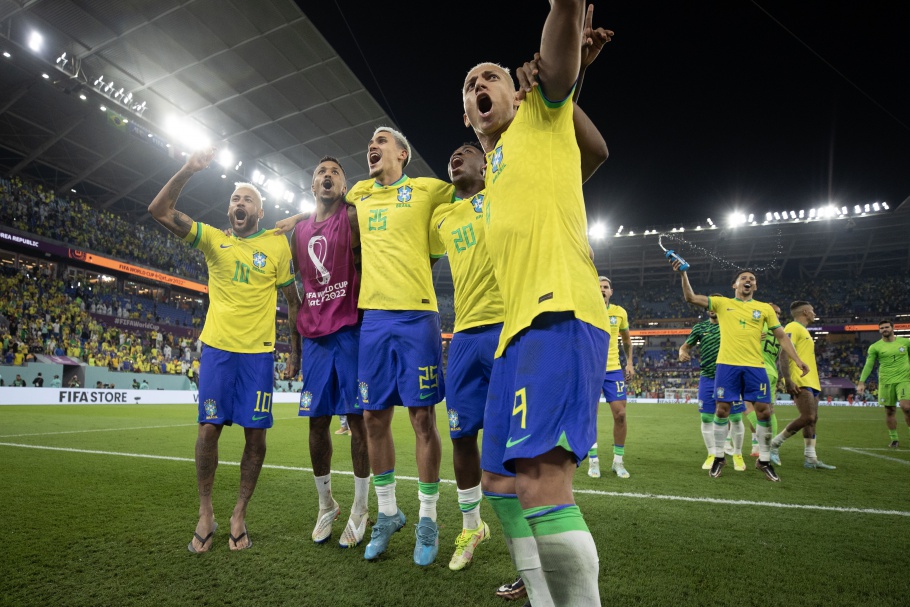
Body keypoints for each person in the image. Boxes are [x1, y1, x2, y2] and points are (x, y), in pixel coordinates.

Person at [462, 3, 612, 603]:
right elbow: (594, 155)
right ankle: (541, 594)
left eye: (490, 76)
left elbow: (555, 63)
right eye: (470, 85)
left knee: (543, 481)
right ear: (468, 114)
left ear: (516, 90)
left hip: (559, 314)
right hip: (513, 337)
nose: (479, 86)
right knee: (498, 480)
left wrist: (564, 38)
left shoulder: (538, 118)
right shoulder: (494, 166)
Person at [148, 147, 300, 553]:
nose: (240, 203)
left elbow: (294, 300)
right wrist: (187, 169)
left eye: (248, 199)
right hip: (217, 351)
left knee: (256, 435)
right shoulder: (214, 240)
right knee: (207, 430)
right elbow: (160, 211)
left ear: (260, 211)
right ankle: (205, 512)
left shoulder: (278, 247)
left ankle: (239, 513)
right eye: (235, 198)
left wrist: (295, 351)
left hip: (259, 355)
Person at [346, 127, 453, 565]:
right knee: (373, 417)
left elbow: (474, 188)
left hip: (417, 316)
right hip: (373, 317)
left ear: (403, 154)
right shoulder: (359, 193)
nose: (372, 146)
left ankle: (428, 519)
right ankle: (388, 514)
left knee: (422, 417)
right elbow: (328, 211)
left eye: (382, 140)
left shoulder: (429, 190)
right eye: (370, 142)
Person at [289, 156, 371, 548]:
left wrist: (349, 196)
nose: (327, 175)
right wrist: (294, 351)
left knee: (358, 421)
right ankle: (326, 505)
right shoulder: (298, 231)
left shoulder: (353, 217)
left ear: (345, 185)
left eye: (335, 172)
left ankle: (359, 508)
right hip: (315, 337)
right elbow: (295, 292)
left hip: (351, 330)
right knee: (316, 423)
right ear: (311, 184)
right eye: (320, 171)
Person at [671, 263, 809, 482]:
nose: (748, 280)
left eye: (752, 279)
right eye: (744, 277)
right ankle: (718, 457)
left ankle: (764, 460)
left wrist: (798, 360)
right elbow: (690, 297)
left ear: (755, 285)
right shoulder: (722, 303)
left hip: (755, 366)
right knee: (722, 411)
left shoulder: (764, 309)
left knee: (764, 411)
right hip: (727, 365)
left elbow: (782, 336)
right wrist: (683, 273)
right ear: (734, 284)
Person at [429, 142, 497, 572]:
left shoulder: (503, 193)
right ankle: (472, 526)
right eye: (451, 154)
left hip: (511, 328)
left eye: (466, 152)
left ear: (486, 164)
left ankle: (533, 528)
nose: (455, 157)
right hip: (465, 336)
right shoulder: (442, 217)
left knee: (518, 439)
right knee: (460, 434)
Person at [678, 295, 746, 471]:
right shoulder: (700, 328)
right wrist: (681, 352)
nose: (713, 308)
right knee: (707, 417)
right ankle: (713, 453)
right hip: (707, 377)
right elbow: (685, 346)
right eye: (711, 305)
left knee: (736, 416)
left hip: (730, 376)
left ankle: (737, 453)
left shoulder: (732, 324)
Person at [770, 301, 836, 469]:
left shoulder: (803, 330)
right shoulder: (792, 327)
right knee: (808, 417)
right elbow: (784, 354)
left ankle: (810, 458)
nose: (814, 313)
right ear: (805, 312)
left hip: (811, 380)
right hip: (799, 379)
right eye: (812, 310)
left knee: (812, 420)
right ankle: (775, 444)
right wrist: (788, 379)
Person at [588, 276, 635, 479]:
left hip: (614, 369)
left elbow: (627, 341)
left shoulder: (619, 312)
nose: (602, 290)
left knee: (620, 415)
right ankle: (593, 461)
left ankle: (618, 461)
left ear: (611, 291)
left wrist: (630, 363)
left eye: (605, 287)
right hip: (590, 370)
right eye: (598, 287)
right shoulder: (584, 309)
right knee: (590, 416)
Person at [856, 320, 910, 447]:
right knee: (890, 411)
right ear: (879, 330)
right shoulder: (875, 347)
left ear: (893, 328)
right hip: (886, 381)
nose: (884, 329)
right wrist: (861, 382)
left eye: (886, 327)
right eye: (881, 328)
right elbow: (869, 365)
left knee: (906, 407)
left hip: (904, 379)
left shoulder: (905, 342)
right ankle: (894, 439)